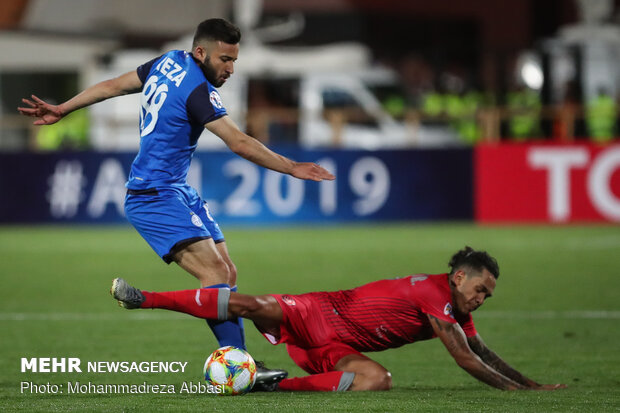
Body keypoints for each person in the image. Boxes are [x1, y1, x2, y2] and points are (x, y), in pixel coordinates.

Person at [18, 18, 334, 385]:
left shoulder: (168, 61)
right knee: (214, 274)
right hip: (153, 195)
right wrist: (291, 166)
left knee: (227, 274)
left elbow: (112, 86)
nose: (230, 69)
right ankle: (238, 365)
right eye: (224, 59)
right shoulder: (199, 90)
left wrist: (64, 108)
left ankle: (242, 363)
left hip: (175, 189)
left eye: (234, 60)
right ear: (201, 52)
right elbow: (239, 142)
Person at [110, 246, 566, 392]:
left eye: (487, 294)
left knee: (377, 380)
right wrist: (515, 393)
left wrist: (531, 385)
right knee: (247, 303)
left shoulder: (454, 308)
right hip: (315, 312)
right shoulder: (435, 295)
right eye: (481, 289)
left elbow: (480, 350)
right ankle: (142, 298)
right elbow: (466, 361)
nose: (483, 298)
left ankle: (266, 385)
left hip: (333, 349)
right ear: (459, 276)